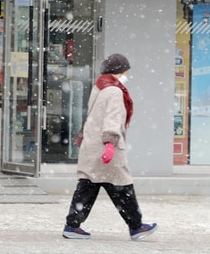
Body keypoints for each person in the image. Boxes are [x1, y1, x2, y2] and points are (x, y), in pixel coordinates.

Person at [62, 53, 157, 241]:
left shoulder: (100, 87)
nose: (126, 76)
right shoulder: (114, 91)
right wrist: (110, 144)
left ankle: (72, 225)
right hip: (105, 149)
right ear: (119, 72)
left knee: (89, 186)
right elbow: (112, 119)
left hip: (93, 146)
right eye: (125, 72)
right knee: (122, 187)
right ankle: (136, 226)